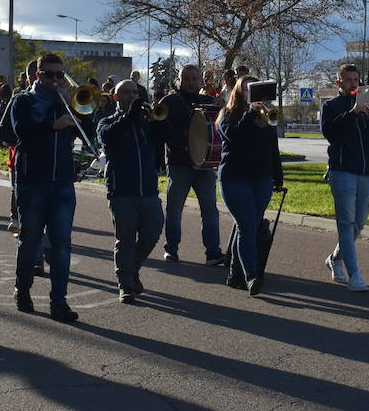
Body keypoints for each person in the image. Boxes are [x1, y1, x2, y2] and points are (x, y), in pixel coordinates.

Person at [10, 53, 81, 323]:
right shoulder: (23, 100)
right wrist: (53, 125)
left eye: (59, 75)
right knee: (30, 240)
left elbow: (81, 129)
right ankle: (23, 289)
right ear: (38, 75)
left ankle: (59, 301)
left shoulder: (64, 102)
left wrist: (74, 112)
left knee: (62, 244)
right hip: (32, 182)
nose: (55, 80)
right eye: (49, 75)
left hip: (62, 182)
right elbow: (21, 132)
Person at [320, 64, 369, 292]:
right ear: (339, 83)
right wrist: (353, 113)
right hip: (342, 171)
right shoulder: (331, 106)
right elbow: (329, 132)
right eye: (348, 80)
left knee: (359, 224)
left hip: (366, 172)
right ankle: (355, 275)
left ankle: (334, 258)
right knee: (346, 222)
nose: (353, 83)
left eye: (356, 79)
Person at [98, 80, 166, 303]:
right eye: (126, 93)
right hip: (122, 191)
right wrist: (129, 117)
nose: (131, 96)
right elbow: (108, 138)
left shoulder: (146, 122)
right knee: (125, 239)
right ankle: (125, 284)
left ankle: (131, 269)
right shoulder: (106, 121)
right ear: (116, 97)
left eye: (135, 92)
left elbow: (165, 137)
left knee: (152, 233)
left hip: (148, 190)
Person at [216, 76, 284, 296]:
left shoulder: (266, 116)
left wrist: (278, 176)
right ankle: (252, 275)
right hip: (234, 177)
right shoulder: (228, 115)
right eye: (247, 90)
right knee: (247, 227)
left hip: (262, 178)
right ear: (239, 92)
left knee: (249, 226)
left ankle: (235, 274)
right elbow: (235, 136)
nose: (251, 94)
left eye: (255, 90)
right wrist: (251, 112)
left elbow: (273, 147)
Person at [156, 64, 225, 265]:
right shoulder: (169, 101)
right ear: (180, 80)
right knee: (175, 209)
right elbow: (158, 131)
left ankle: (213, 252)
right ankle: (171, 249)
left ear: (200, 81)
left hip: (204, 165)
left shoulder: (207, 101)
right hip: (178, 164)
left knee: (210, 209)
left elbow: (220, 126)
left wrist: (221, 105)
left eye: (194, 79)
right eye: (186, 78)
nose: (190, 82)